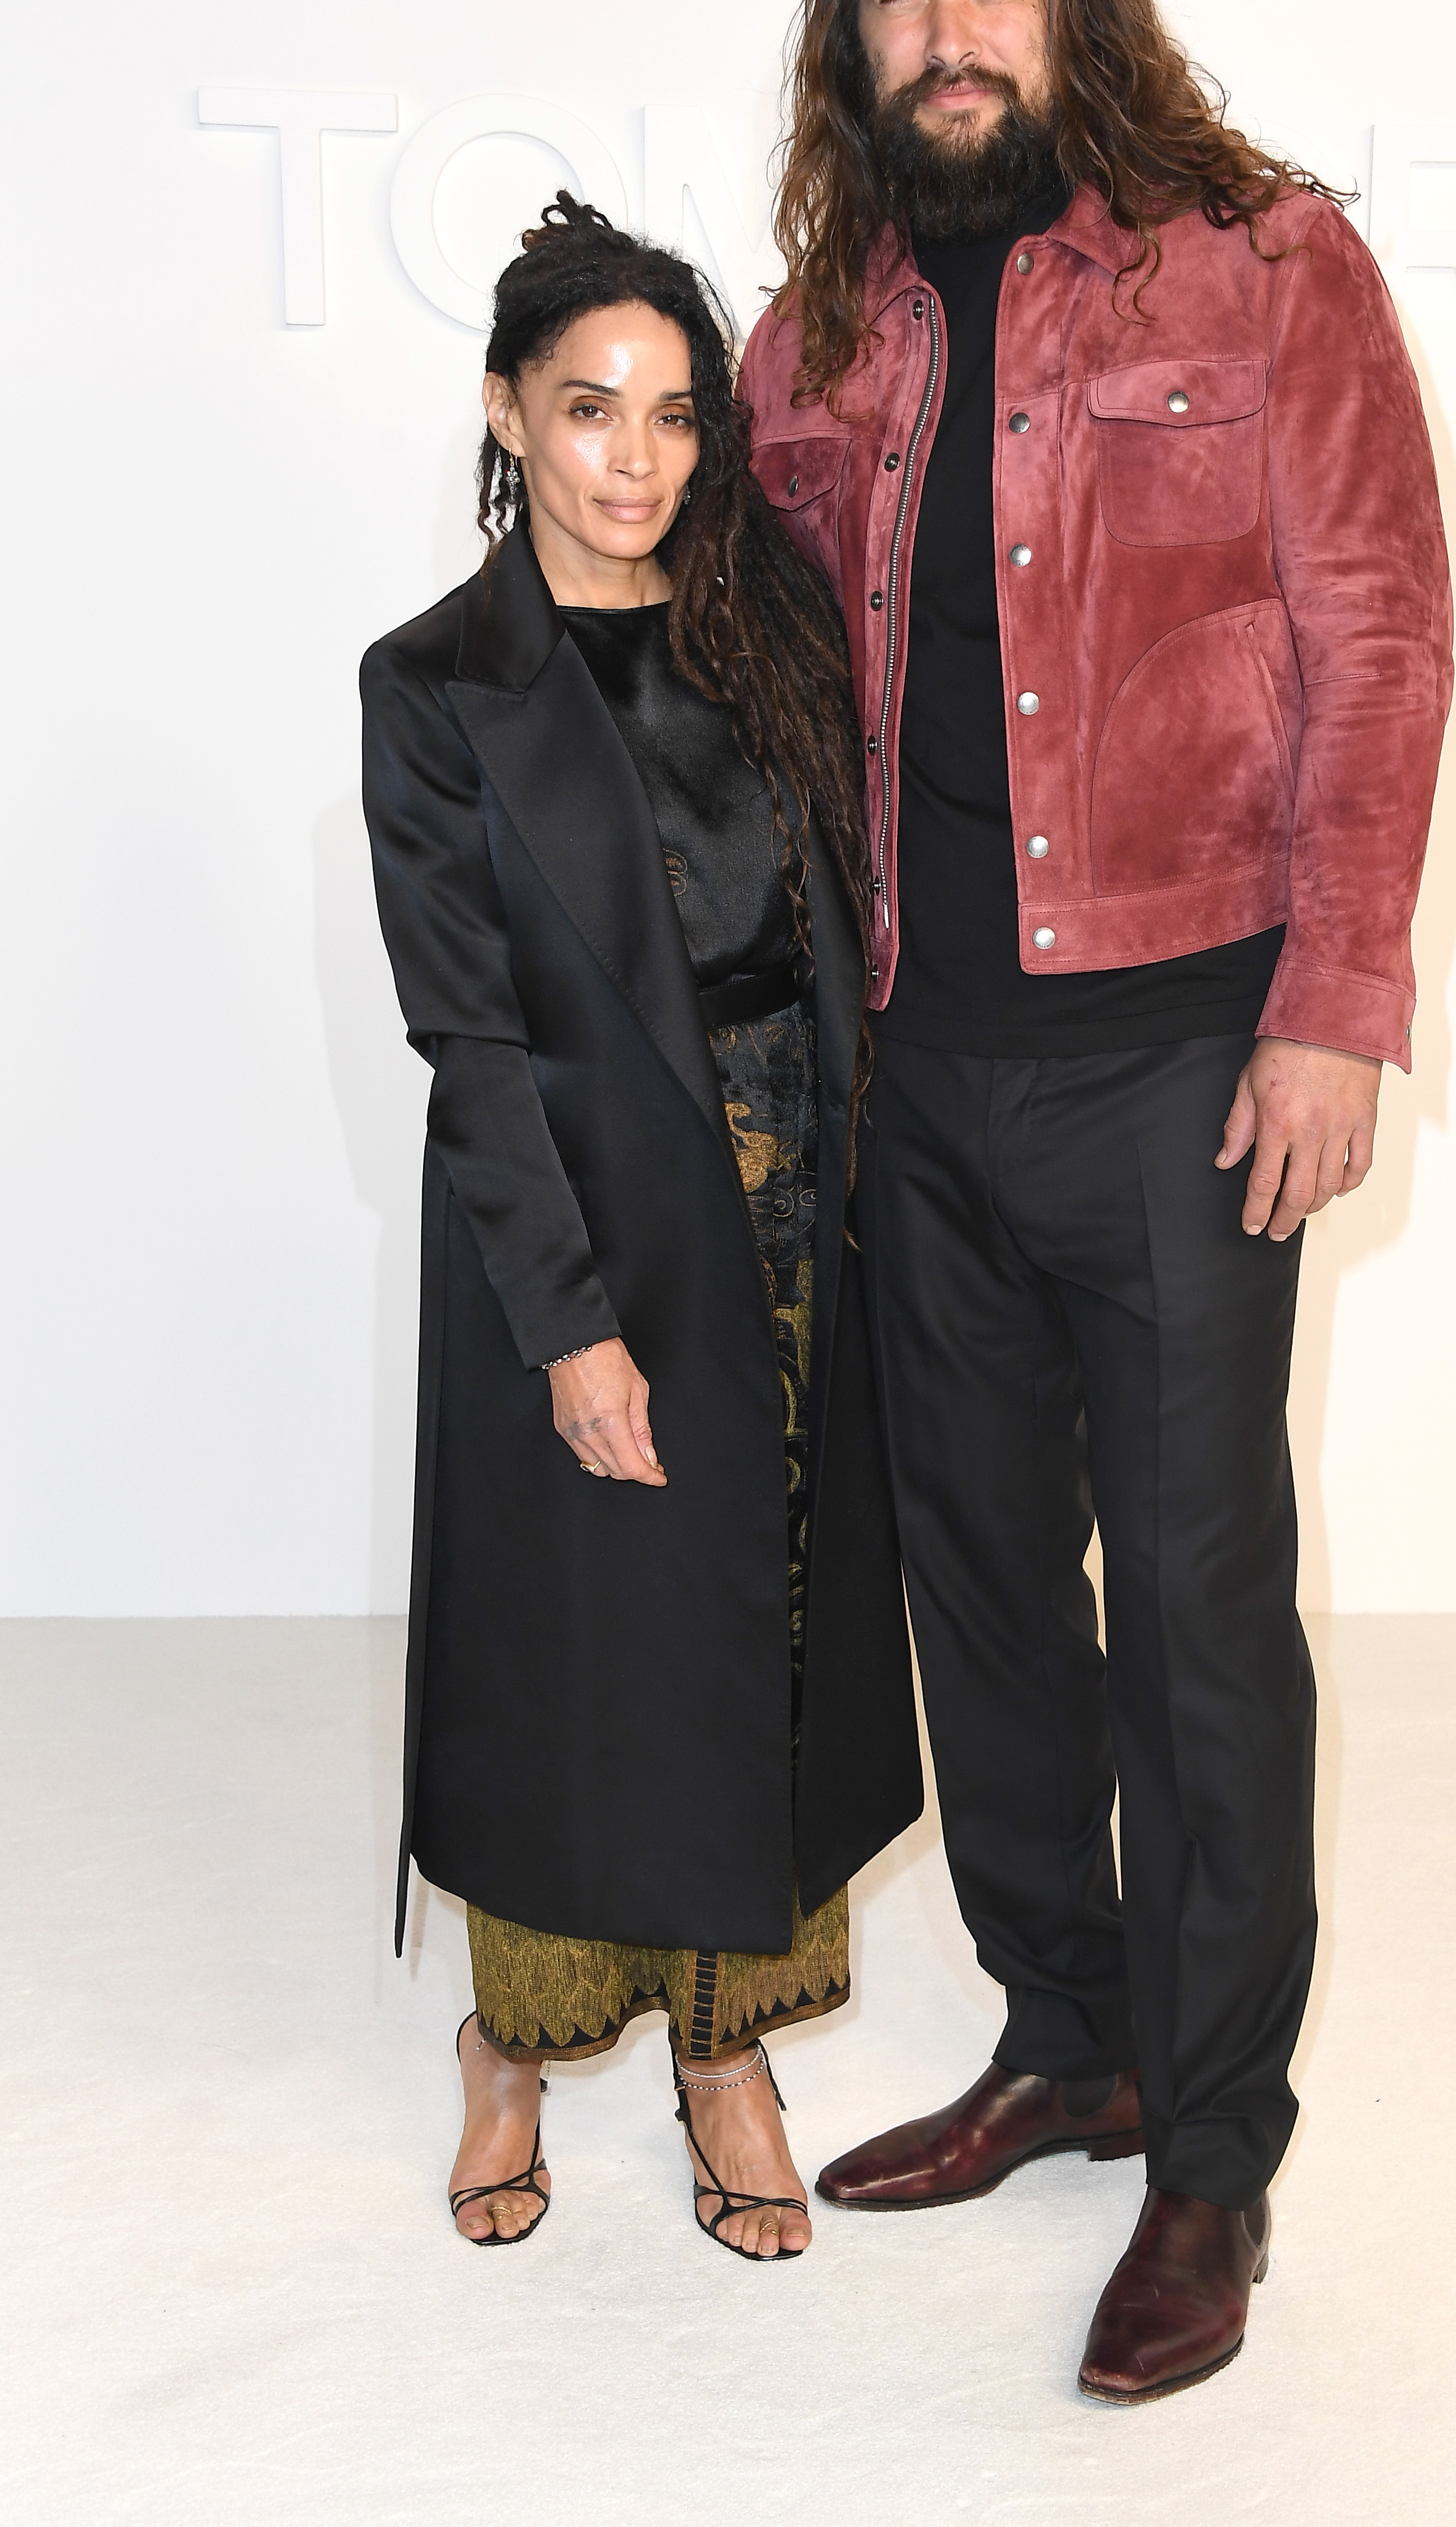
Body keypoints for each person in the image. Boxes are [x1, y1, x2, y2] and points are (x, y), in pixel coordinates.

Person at [739, 0, 1452, 2393]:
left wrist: (1334, 998)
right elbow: (764, 685)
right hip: (917, 1064)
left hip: (1179, 1050)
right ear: (854, 36)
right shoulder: (816, 333)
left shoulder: (1264, 266)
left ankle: (1214, 2159)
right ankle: (1070, 2031)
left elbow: (1378, 641)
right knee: (980, 1600)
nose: (948, 34)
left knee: (1197, 1620)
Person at [362, 196, 920, 2260]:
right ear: (508, 411)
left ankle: (727, 2051)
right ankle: (513, 2042)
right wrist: (568, 1329)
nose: (636, 457)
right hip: (576, 1236)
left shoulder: (763, 627)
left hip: (791, 1208)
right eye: (588, 408)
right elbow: (468, 1032)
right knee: (571, 1651)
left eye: (676, 414)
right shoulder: (432, 685)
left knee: (768, 1625)